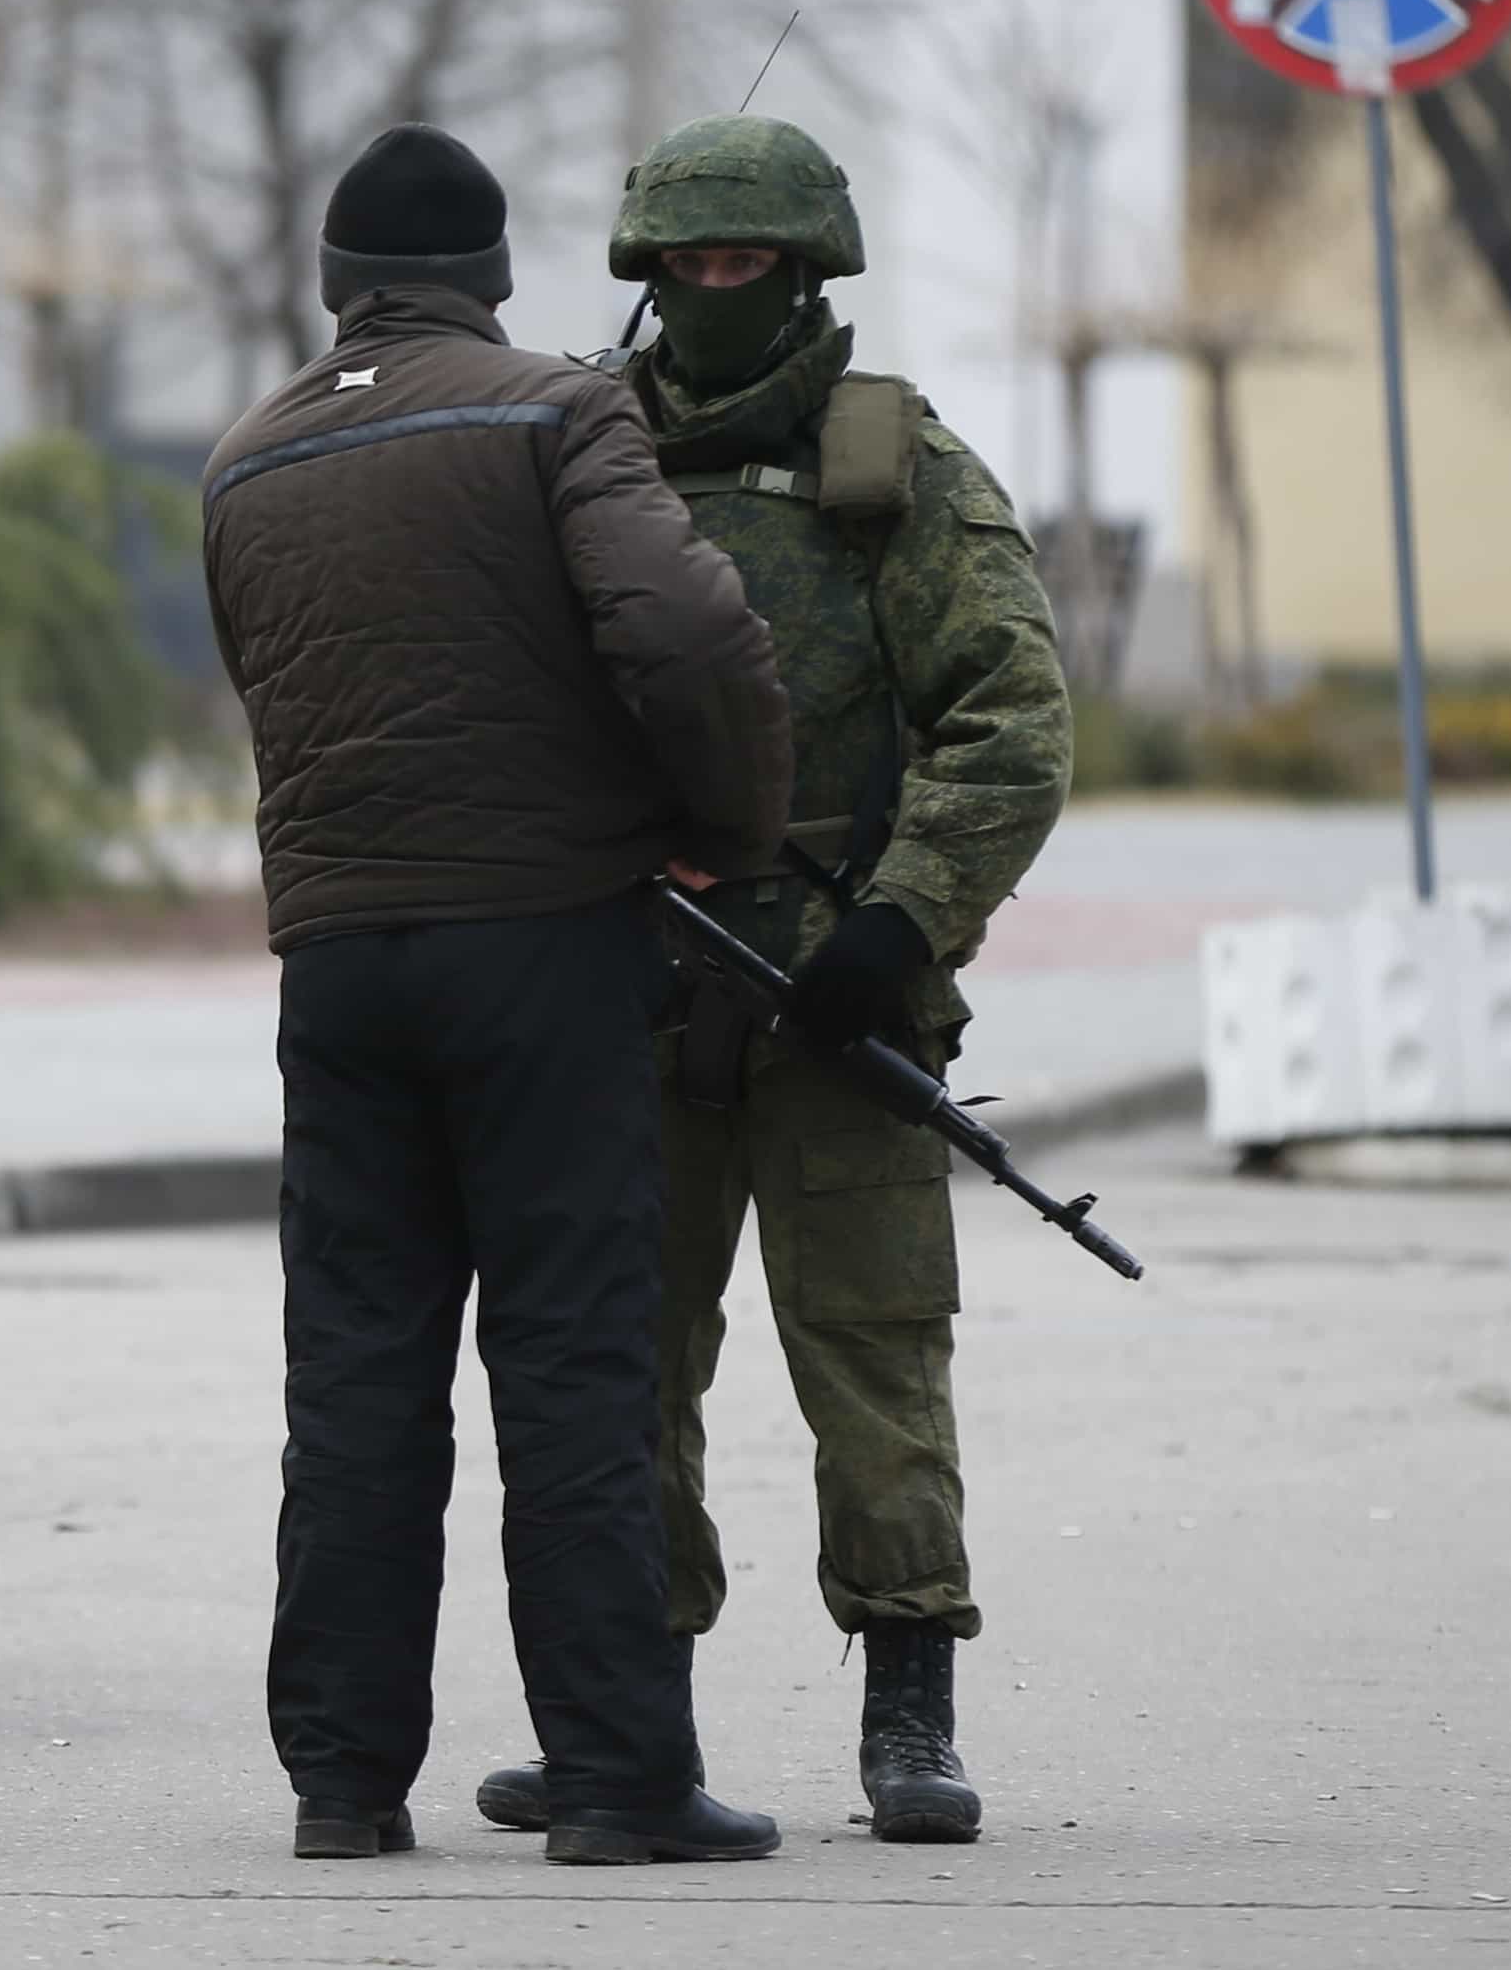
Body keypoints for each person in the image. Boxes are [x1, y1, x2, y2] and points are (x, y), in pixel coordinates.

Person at [470, 113, 1073, 1845]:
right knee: (614, 1365)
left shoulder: (892, 464)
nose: (709, 291)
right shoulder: (573, 452)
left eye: (742, 263)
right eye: (682, 264)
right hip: (629, 982)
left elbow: (1010, 723)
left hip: (843, 993)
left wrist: (900, 926)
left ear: (809, 273)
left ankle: (908, 1710)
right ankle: (627, 1714)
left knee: (875, 1351)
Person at [200, 123, 795, 1866]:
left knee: (358, 1371)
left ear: (332, 286)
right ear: (499, 279)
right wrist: (717, 827)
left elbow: (277, 687)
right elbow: (686, 635)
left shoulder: (243, 462)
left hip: (336, 961)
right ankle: (615, 1777)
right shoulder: (561, 410)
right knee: (574, 1359)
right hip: (540, 938)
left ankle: (342, 1783)